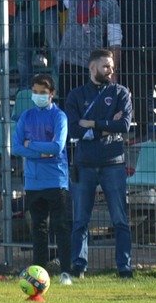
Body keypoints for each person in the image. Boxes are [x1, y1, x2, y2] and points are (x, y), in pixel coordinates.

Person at [63, 48, 135, 279]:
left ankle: (124, 267)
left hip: (114, 162)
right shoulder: (75, 95)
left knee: (120, 219)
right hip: (84, 164)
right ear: (92, 68)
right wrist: (105, 126)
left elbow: (123, 125)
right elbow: (73, 130)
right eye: (106, 66)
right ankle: (78, 265)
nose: (111, 70)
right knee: (80, 219)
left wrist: (92, 123)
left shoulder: (121, 92)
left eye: (112, 66)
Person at [15, 72, 71, 280]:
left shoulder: (59, 116)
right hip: (33, 182)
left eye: (43, 92)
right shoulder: (26, 116)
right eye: (35, 92)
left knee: (61, 226)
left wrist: (32, 146)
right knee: (38, 229)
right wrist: (41, 151)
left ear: (52, 94)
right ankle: (39, 273)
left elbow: (57, 147)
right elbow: (18, 147)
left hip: (56, 180)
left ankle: (66, 271)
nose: (38, 95)